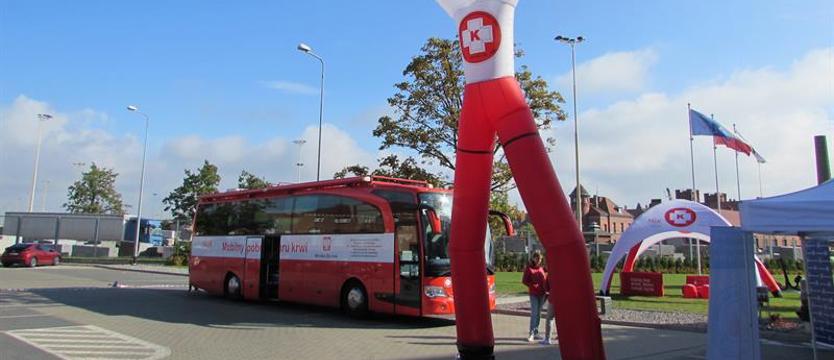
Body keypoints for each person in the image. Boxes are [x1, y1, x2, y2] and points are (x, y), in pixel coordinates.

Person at [522, 250, 547, 342]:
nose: (539, 261)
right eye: (538, 259)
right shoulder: (529, 268)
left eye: (540, 259)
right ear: (534, 258)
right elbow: (524, 281)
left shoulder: (541, 268)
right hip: (534, 294)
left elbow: (544, 278)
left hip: (542, 294)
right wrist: (533, 285)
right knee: (534, 313)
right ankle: (531, 333)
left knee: (539, 313)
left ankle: (536, 332)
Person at [541, 273, 556, 345]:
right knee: (564, 320)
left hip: (553, 298)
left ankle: (548, 339)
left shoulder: (551, 273)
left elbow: (546, 287)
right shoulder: (566, 271)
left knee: (549, 318)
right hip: (564, 299)